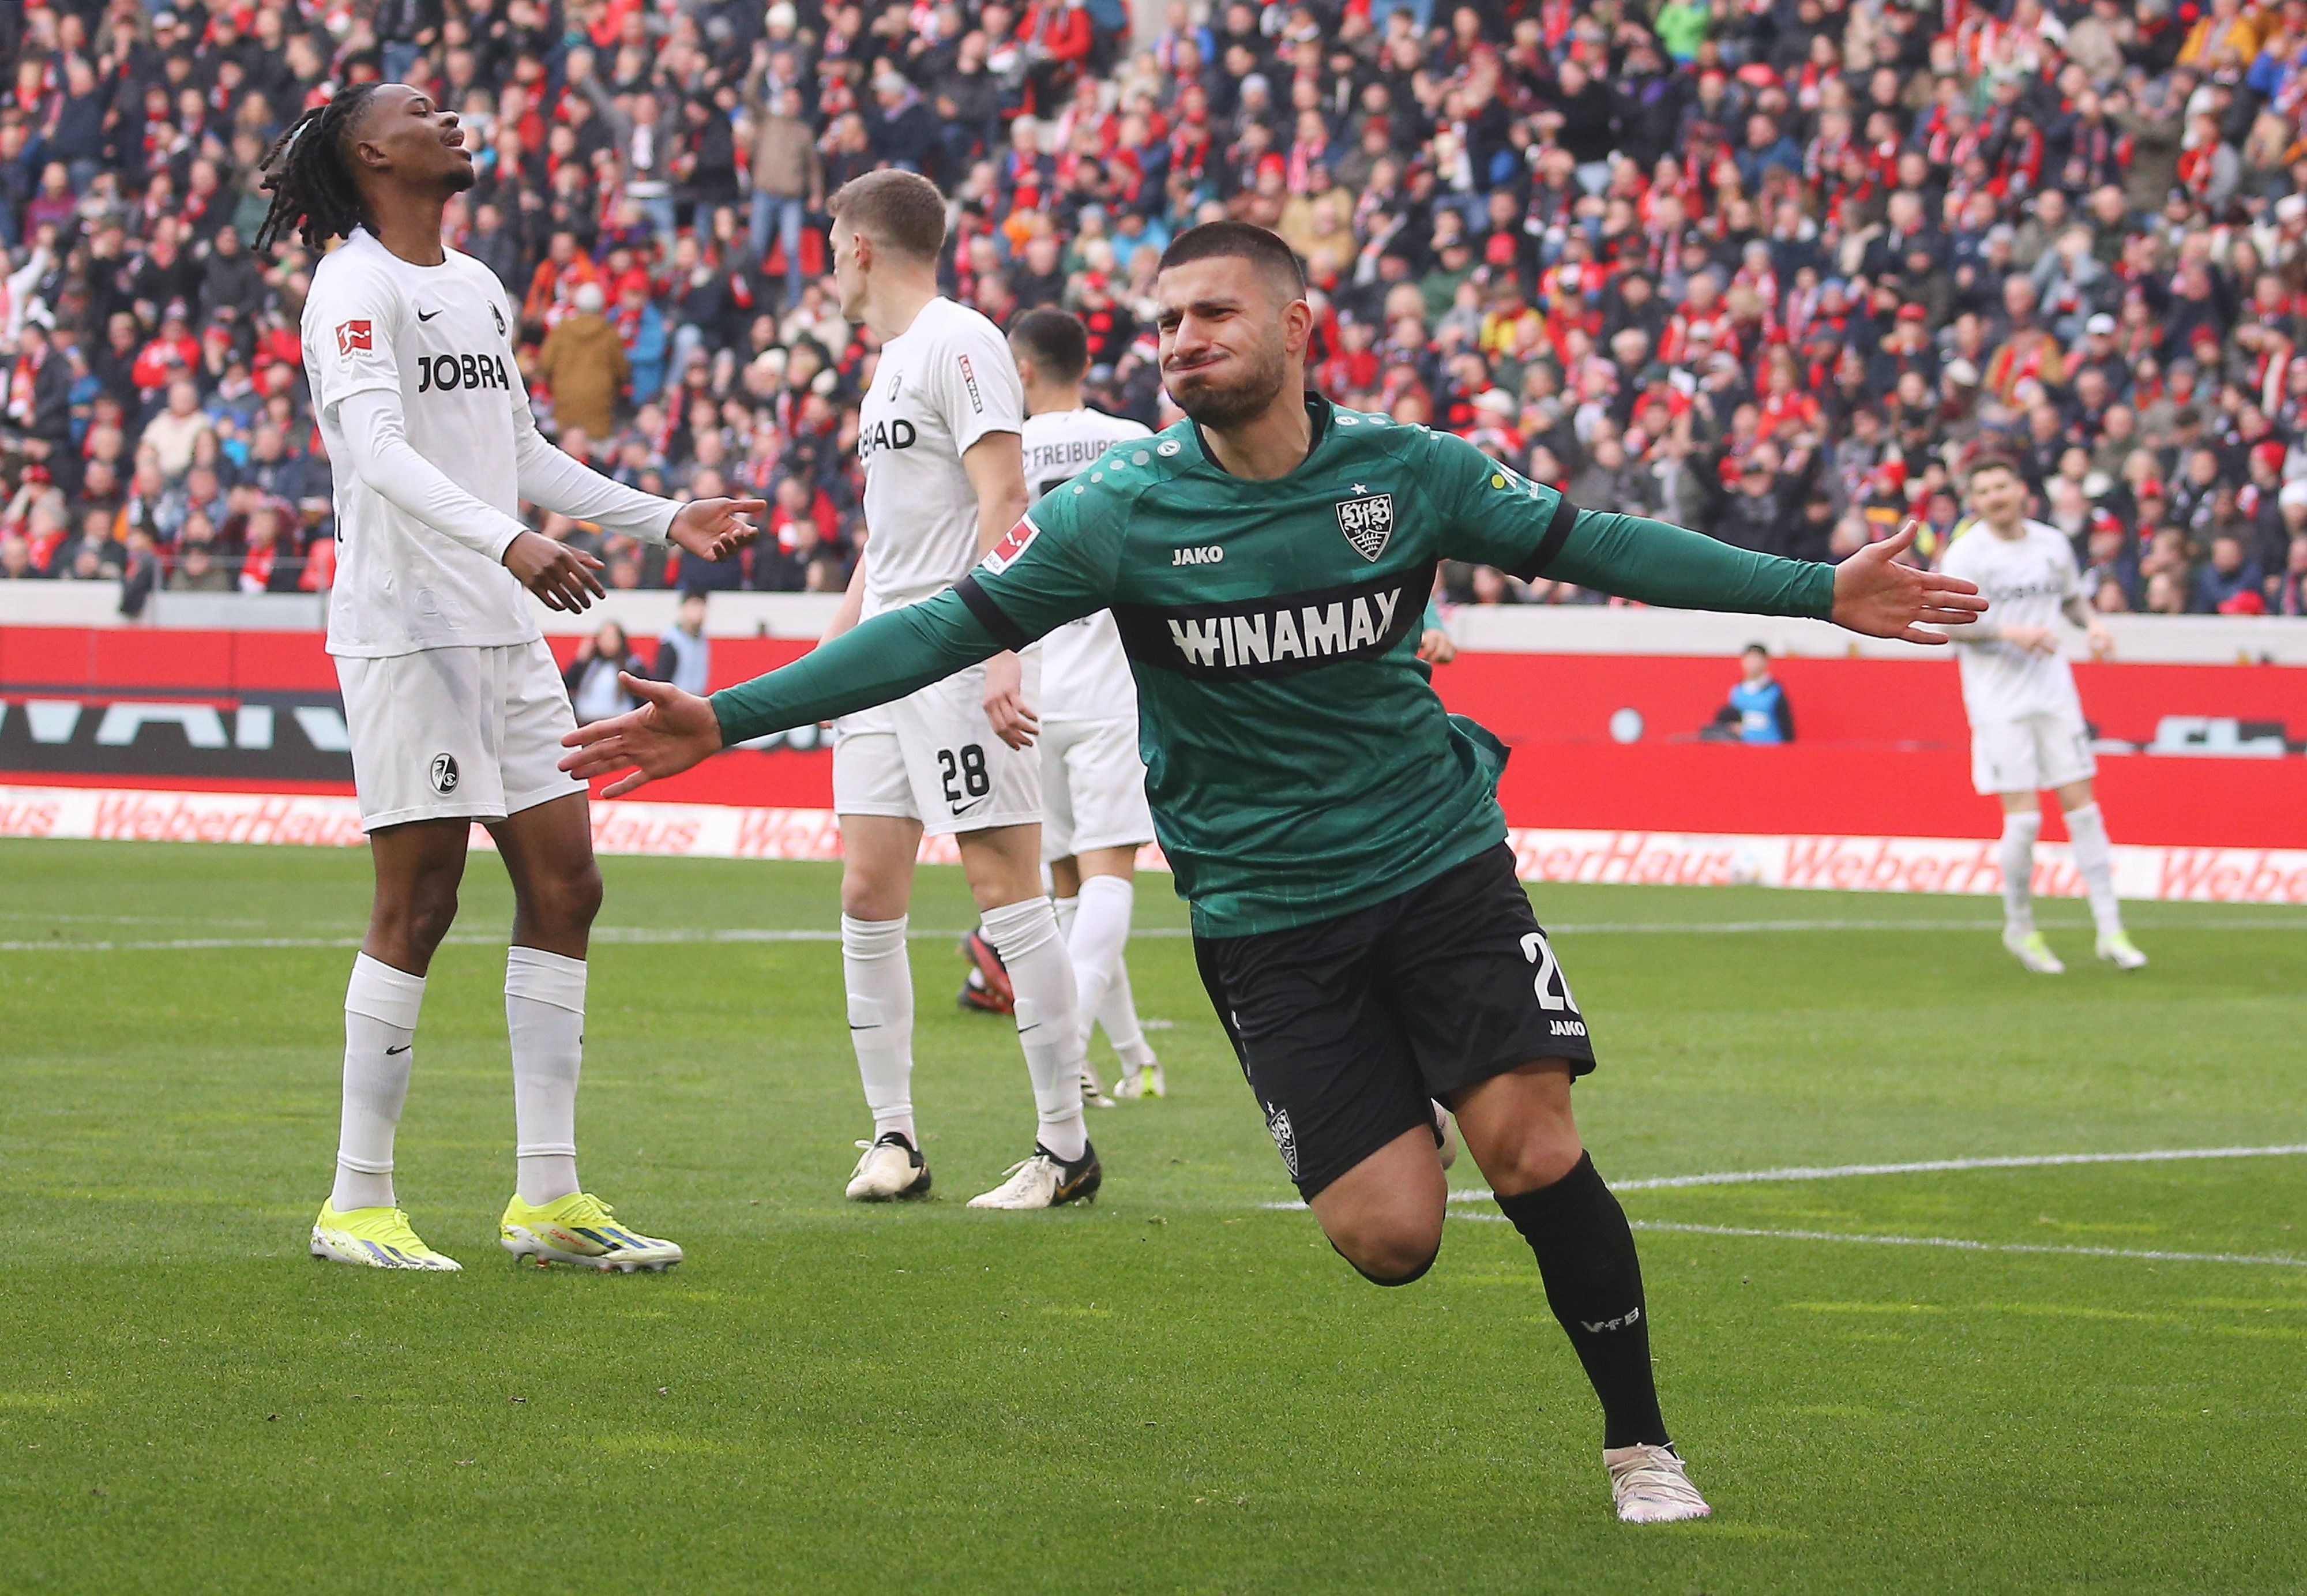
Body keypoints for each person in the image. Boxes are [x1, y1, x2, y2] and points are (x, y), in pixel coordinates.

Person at [561, 222, 1985, 1521]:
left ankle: (1639, 1443)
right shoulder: (1119, 512)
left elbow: (1599, 547)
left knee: (1534, 1148)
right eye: (1165, 321)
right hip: (1261, 916)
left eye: (1212, 313)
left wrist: (1815, 591)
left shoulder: (1410, 473)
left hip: (1437, 868)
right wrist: (736, 713)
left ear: (1302, 322)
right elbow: (941, 628)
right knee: (1390, 1241)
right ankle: (1414, 1099)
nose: (1181, 339)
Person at [261, 82, 764, 1272]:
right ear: (370, 150)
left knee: (568, 885)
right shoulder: (352, 283)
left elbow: (520, 448)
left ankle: (547, 1198)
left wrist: (660, 516)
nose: (454, 121)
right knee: (419, 902)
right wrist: (508, 540)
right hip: (408, 627)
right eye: (423, 112)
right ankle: (356, 1201)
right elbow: (373, 450)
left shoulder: (478, 282)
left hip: (504, 627)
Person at [805, 170, 1096, 1211]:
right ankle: (895, 1137)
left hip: (956, 646)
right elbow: (884, 546)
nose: (829, 260)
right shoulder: (889, 366)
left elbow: (1007, 497)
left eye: (833, 241)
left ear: (862, 247)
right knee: (866, 894)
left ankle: (1066, 1147)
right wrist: (818, 670)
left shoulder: (959, 339)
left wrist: (1005, 647)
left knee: (1005, 893)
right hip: (885, 660)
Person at [1004, 305, 1164, 1101]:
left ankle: (1127, 1058)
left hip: (1023, 691)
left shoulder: (1000, 453)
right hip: (1110, 688)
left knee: (1067, 886)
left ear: (1024, 369)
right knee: (1106, 879)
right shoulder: (1134, 440)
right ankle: (1064, 1053)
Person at [1939, 456, 2146, 975]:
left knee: (2084, 809)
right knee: (2026, 818)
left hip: (2054, 693)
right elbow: (1950, 623)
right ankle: (2021, 926)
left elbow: (2072, 601)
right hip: (1998, 701)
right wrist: (2011, 632)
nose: (1995, 497)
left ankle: (2110, 929)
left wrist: (2094, 625)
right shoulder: (1967, 554)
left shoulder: (2051, 544)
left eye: (2002, 486)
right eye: (1983, 490)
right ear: (1975, 500)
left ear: (2021, 489)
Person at [564, 619, 649, 722]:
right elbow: (567, 684)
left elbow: (643, 699)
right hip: (587, 722)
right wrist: (579, 661)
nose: (608, 642)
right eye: (604, 638)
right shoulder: (589, 664)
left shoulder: (633, 665)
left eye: (612, 637)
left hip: (620, 723)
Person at [1708, 644, 1794, 743]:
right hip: (1745, 749)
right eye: (1749, 659)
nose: (1752, 663)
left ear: (1766, 662)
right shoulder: (1737, 692)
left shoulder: (1775, 692)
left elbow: (1787, 727)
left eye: (1757, 659)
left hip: (1771, 749)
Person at [654, 591, 712, 694]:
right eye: (694, 606)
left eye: (702, 607)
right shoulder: (671, 641)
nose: (699, 612)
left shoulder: (702, 640)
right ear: (684, 608)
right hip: (676, 701)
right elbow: (661, 679)